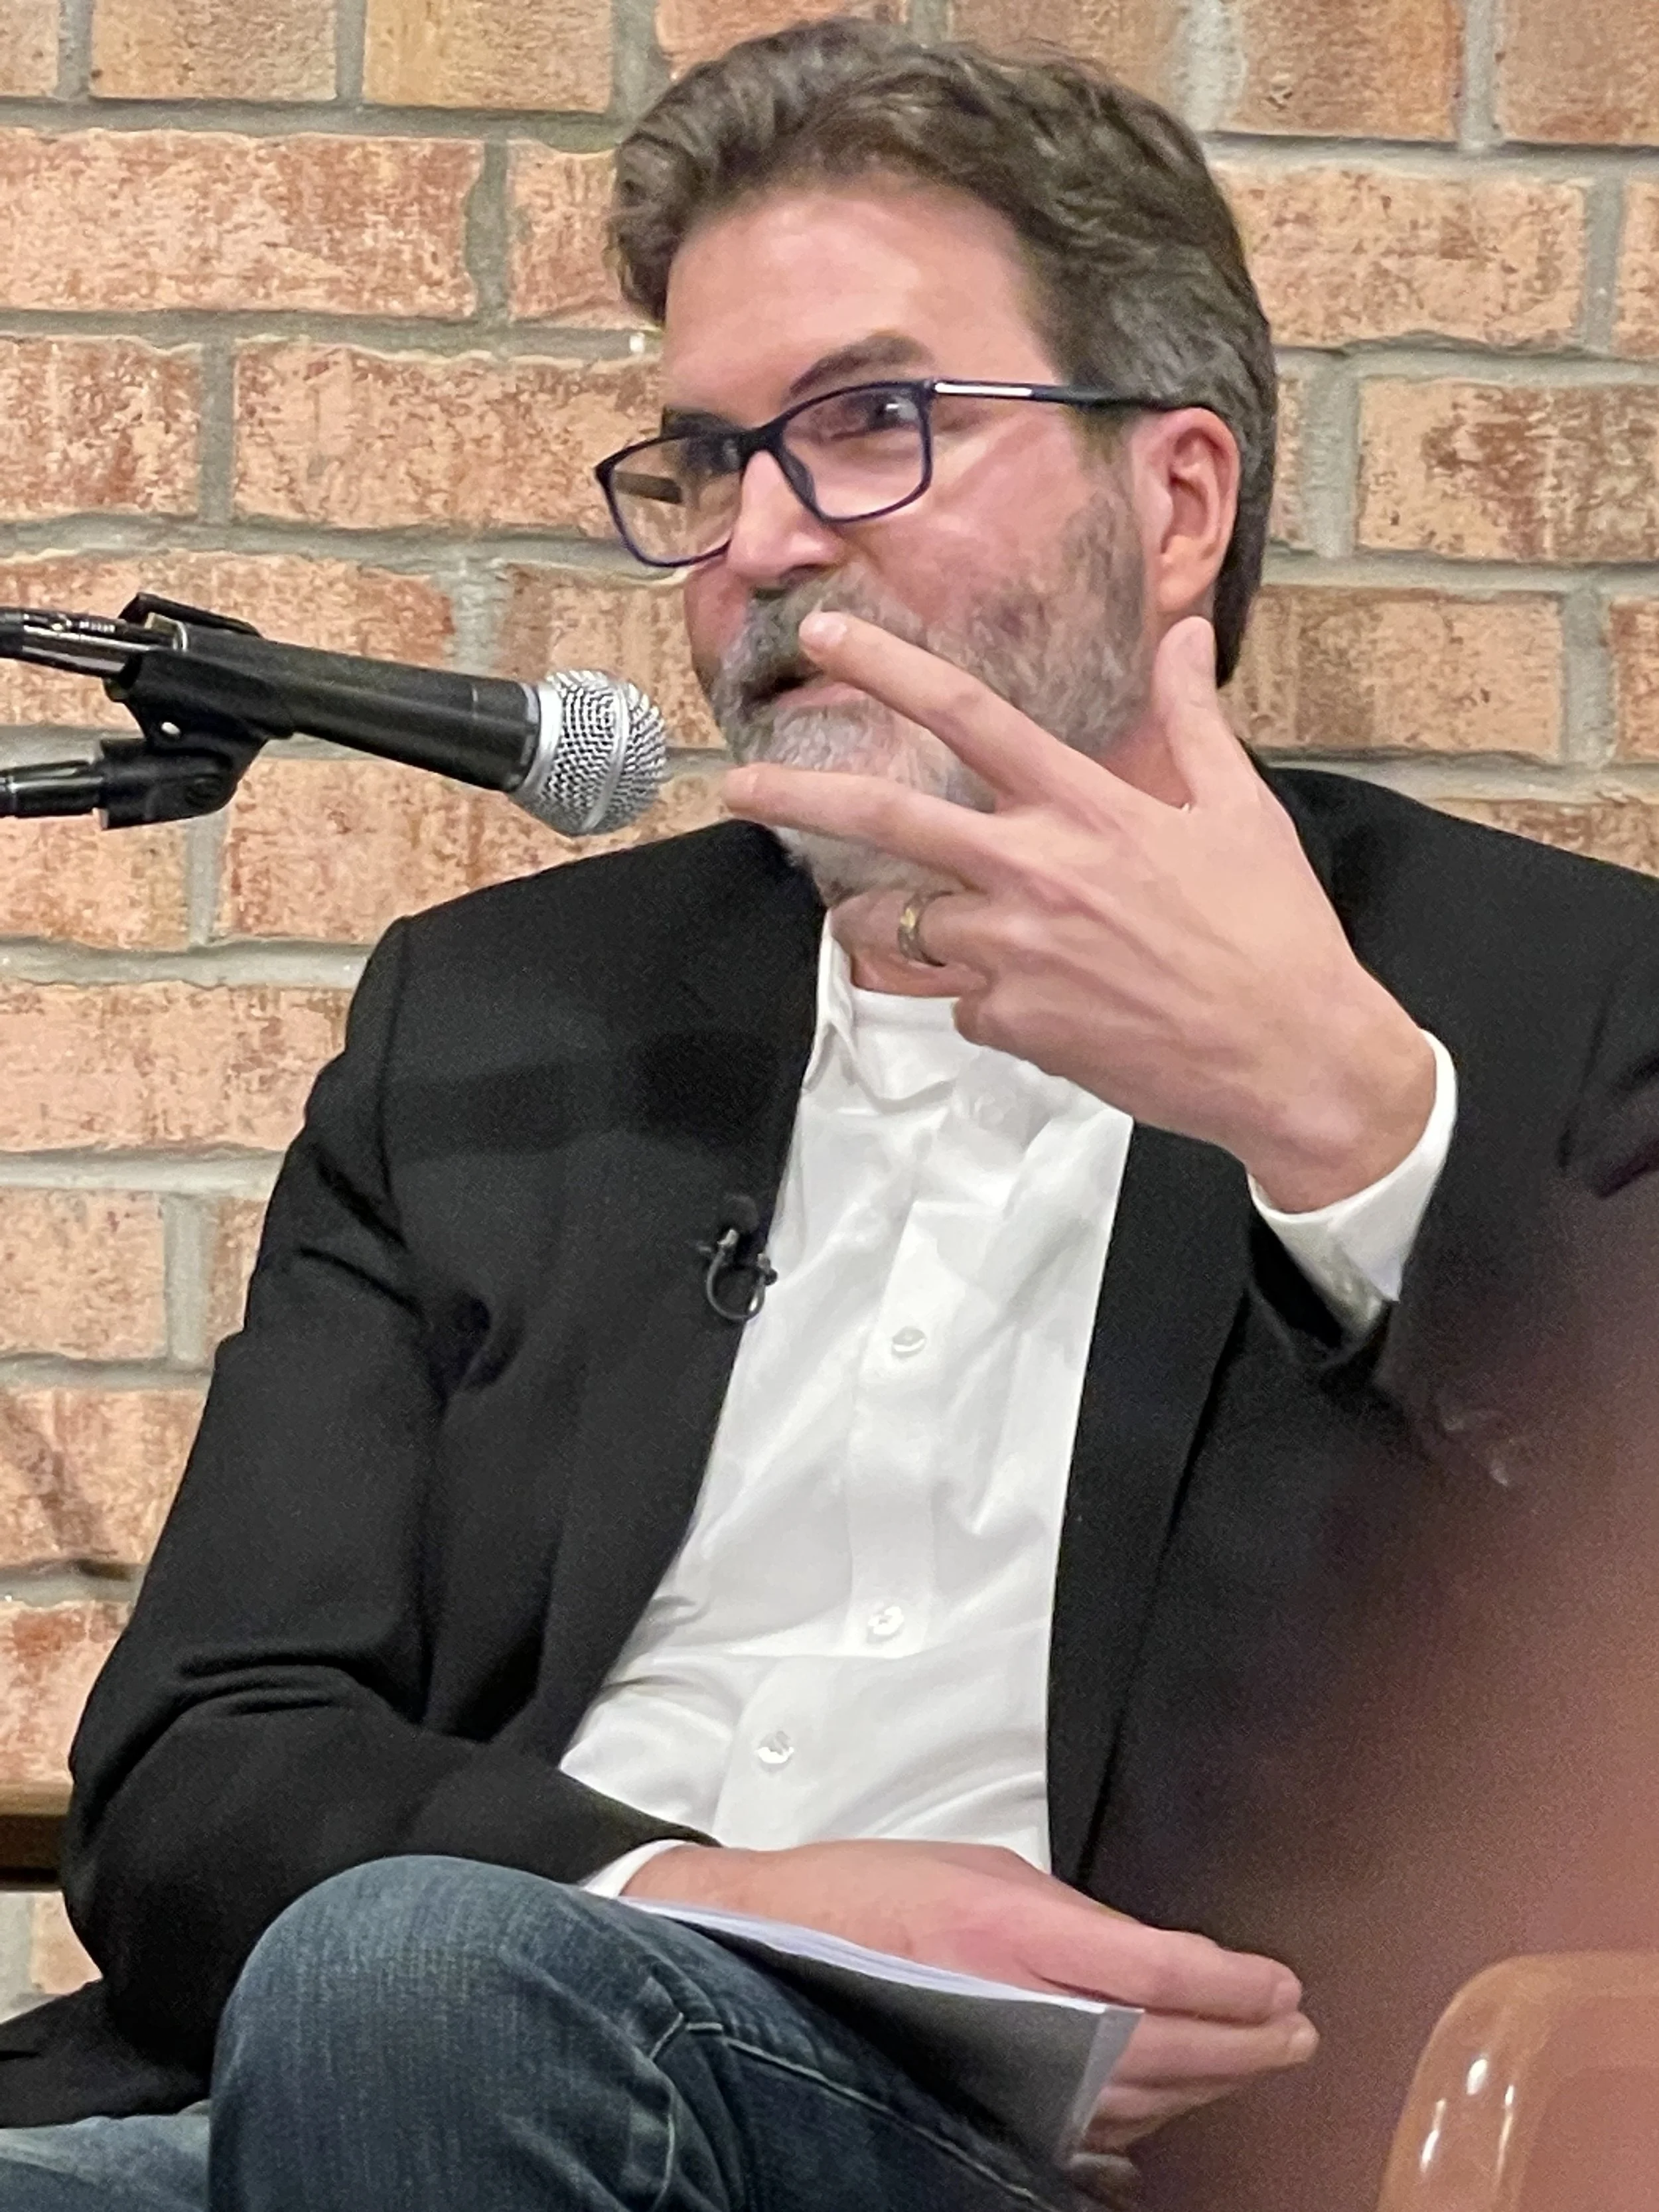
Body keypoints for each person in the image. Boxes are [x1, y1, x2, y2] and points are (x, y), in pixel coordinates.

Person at [1, 18, 1657, 2211]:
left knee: (422, 1987)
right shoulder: (499, 1020)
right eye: (704, 459)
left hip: (1065, 2168)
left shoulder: (1547, 997)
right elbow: (201, 1757)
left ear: (1174, 499)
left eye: (868, 424)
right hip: (425, 2078)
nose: (761, 540)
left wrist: (1354, 1136)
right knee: (411, 2003)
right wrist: (712, 1889)